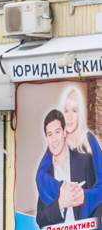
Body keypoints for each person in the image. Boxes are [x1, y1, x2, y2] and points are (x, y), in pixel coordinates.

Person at [36, 87, 102, 221]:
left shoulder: (89, 142)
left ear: (81, 113)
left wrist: (85, 196)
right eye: (66, 111)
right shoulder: (56, 146)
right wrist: (62, 190)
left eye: (74, 110)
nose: (69, 117)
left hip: (87, 227)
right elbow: (41, 177)